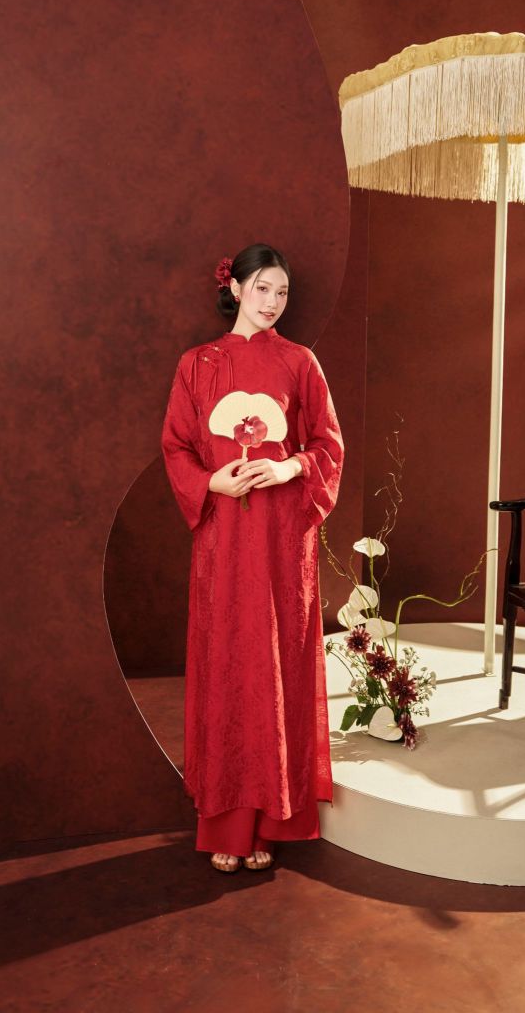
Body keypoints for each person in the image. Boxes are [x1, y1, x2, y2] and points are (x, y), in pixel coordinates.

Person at [160, 243, 345, 873]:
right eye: (262, 288)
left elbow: (329, 445)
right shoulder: (197, 364)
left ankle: (270, 821)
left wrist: (289, 467)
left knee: (277, 665)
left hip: (283, 539)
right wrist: (211, 482)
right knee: (229, 664)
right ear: (235, 288)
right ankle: (227, 823)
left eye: (282, 292)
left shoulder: (300, 362)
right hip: (223, 540)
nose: (272, 302)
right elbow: (177, 446)